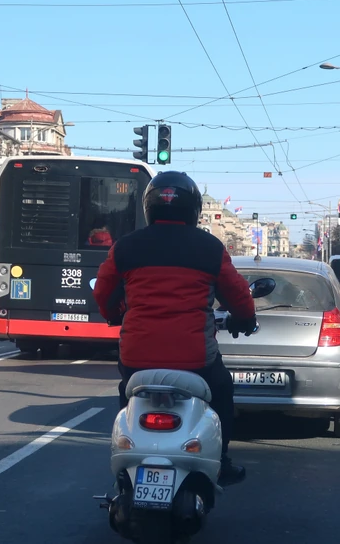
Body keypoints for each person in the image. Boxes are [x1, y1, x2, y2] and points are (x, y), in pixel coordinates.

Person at [92, 170, 256, 487]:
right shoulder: (210, 248)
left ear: (149, 207)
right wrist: (245, 319)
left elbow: (103, 293)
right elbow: (238, 295)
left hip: (137, 357)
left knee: (127, 395)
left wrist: (113, 314)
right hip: (195, 359)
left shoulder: (126, 247)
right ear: (194, 209)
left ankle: (126, 456)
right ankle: (221, 461)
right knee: (222, 391)